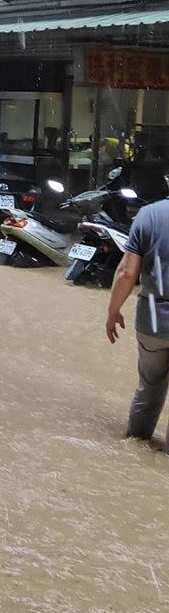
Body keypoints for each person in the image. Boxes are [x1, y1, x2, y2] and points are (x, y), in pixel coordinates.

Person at [106, 192, 169, 453]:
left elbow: (127, 272)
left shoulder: (149, 214)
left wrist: (113, 311)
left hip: (153, 321)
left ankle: (136, 446)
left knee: (149, 385)